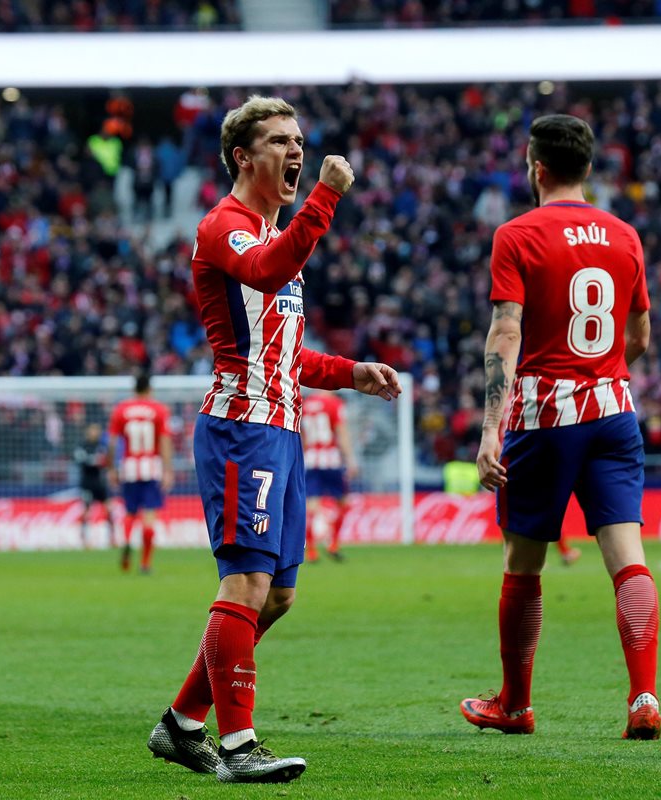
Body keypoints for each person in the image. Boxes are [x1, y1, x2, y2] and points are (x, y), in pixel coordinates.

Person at [145, 95, 401, 783]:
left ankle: (181, 722)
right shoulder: (226, 227)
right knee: (247, 580)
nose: (296, 151)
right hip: (241, 428)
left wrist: (351, 372)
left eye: (300, 140)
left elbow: (287, 358)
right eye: (280, 142)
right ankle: (237, 745)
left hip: (281, 431)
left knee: (278, 594)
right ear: (242, 157)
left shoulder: (273, 235)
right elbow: (265, 272)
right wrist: (325, 198)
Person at [460, 114, 661, 740]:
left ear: (536, 166)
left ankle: (515, 705)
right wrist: (600, 374)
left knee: (524, 565)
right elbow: (640, 338)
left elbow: (506, 330)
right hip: (614, 412)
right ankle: (644, 697)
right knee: (628, 560)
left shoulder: (516, 235)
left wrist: (491, 428)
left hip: (544, 414)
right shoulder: (625, 235)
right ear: (589, 167)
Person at [107, 372, 172, 573]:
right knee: (150, 514)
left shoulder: (122, 409)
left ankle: (127, 541)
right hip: (151, 467)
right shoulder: (159, 409)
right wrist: (168, 470)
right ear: (149, 389)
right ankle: (145, 563)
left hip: (129, 467)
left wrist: (111, 468)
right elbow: (164, 441)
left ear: (134, 389)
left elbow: (112, 442)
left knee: (130, 512)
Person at [300, 390, 356, 563]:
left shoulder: (305, 403)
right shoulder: (335, 403)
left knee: (311, 506)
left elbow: (302, 435)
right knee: (344, 502)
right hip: (331, 459)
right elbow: (342, 432)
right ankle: (333, 544)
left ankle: (311, 550)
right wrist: (351, 460)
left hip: (310, 459)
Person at [74, 422, 115, 549]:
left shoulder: (102, 446)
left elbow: (107, 462)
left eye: (97, 430)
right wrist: (95, 461)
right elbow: (81, 462)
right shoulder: (82, 446)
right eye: (93, 430)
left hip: (100, 482)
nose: (95, 432)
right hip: (87, 482)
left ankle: (112, 539)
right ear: (88, 431)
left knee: (109, 508)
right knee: (87, 511)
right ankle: (85, 540)